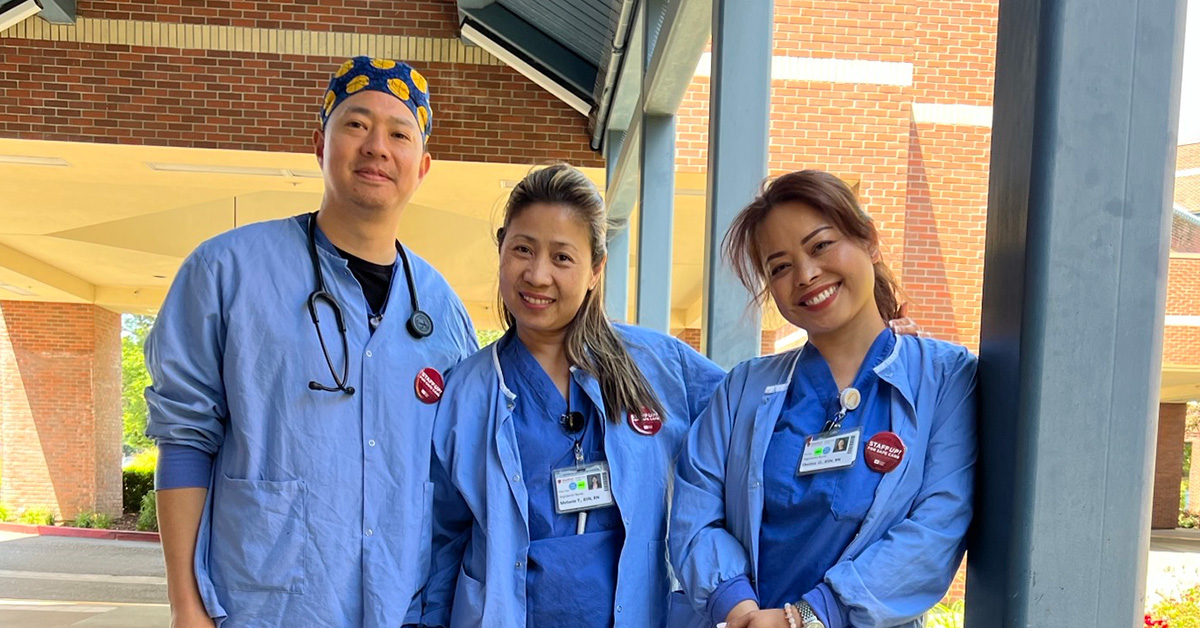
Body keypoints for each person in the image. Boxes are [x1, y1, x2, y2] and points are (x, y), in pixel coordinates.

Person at [145, 56, 477, 628]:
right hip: (262, 607)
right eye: (355, 124)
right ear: (319, 146)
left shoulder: (441, 310)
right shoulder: (227, 273)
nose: (377, 146)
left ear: (421, 167)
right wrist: (185, 603)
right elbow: (184, 438)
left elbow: (452, 480)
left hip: (403, 609)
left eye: (400, 134)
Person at [422, 164, 728, 628]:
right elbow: (443, 536)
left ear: (595, 269)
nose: (538, 275)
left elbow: (745, 431)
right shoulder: (467, 392)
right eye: (522, 249)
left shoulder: (659, 367)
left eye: (562, 257)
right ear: (502, 250)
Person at [668, 170, 977, 628]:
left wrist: (807, 618)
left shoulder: (945, 377)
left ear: (869, 241)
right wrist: (741, 610)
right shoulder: (743, 389)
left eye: (820, 246)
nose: (807, 275)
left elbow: (938, 526)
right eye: (780, 267)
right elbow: (695, 508)